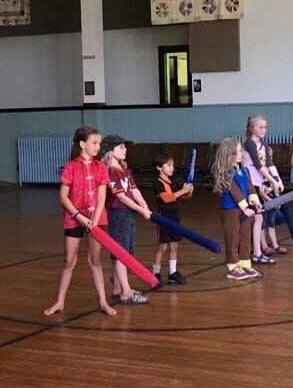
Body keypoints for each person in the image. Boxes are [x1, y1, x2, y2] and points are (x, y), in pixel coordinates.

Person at [44, 126, 116, 316]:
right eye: (94, 143)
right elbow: (63, 197)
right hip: (74, 217)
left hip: (95, 219)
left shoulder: (101, 167)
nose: (98, 146)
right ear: (82, 144)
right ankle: (60, 301)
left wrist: (94, 218)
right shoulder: (70, 166)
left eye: (99, 143)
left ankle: (102, 301)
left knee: (95, 259)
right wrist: (79, 216)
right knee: (69, 260)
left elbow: (102, 196)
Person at [100, 134, 151, 305]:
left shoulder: (125, 169)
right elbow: (121, 197)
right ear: (110, 151)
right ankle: (125, 293)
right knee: (121, 253)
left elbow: (134, 191)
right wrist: (140, 210)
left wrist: (144, 204)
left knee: (126, 252)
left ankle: (117, 287)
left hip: (128, 214)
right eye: (121, 147)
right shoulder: (109, 172)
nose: (125, 149)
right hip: (118, 214)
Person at [212, 137, 262, 280]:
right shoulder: (227, 173)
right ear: (229, 154)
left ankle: (245, 263)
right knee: (233, 237)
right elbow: (235, 192)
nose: (241, 154)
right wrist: (245, 207)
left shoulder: (244, 170)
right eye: (237, 152)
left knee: (245, 236)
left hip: (244, 209)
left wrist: (255, 201)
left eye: (241, 151)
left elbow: (250, 186)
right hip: (231, 210)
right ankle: (232, 265)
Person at [243, 114, 284, 264]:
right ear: (252, 128)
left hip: (257, 184)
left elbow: (270, 163)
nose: (263, 129)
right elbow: (259, 166)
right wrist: (273, 181)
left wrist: (278, 180)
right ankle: (254, 252)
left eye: (265, 127)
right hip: (249, 183)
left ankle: (257, 252)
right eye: (260, 127)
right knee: (256, 217)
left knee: (258, 217)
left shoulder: (264, 144)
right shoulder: (249, 143)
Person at [151, 152, 193, 285]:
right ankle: (155, 273)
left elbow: (183, 197)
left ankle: (172, 273)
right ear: (159, 167)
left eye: (172, 165)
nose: (172, 167)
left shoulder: (173, 180)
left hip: (175, 217)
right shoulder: (157, 182)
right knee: (162, 247)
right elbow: (167, 198)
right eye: (168, 165)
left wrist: (189, 191)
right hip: (164, 218)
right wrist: (182, 191)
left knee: (174, 246)